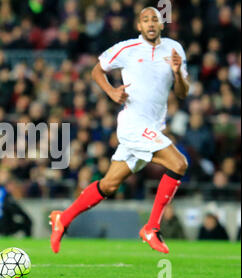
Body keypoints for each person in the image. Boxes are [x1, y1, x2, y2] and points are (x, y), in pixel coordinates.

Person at [50, 7, 190, 254]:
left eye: (154, 20)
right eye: (145, 19)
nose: (150, 23)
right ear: (138, 26)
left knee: (109, 185)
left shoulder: (174, 49)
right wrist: (112, 91)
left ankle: (64, 217)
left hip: (152, 127)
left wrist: (178, 74)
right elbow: (97, 70)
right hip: (133, 126)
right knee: (179, 164)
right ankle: (151, 227)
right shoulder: (127, 48)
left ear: (161, 25)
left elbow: (182, 93)